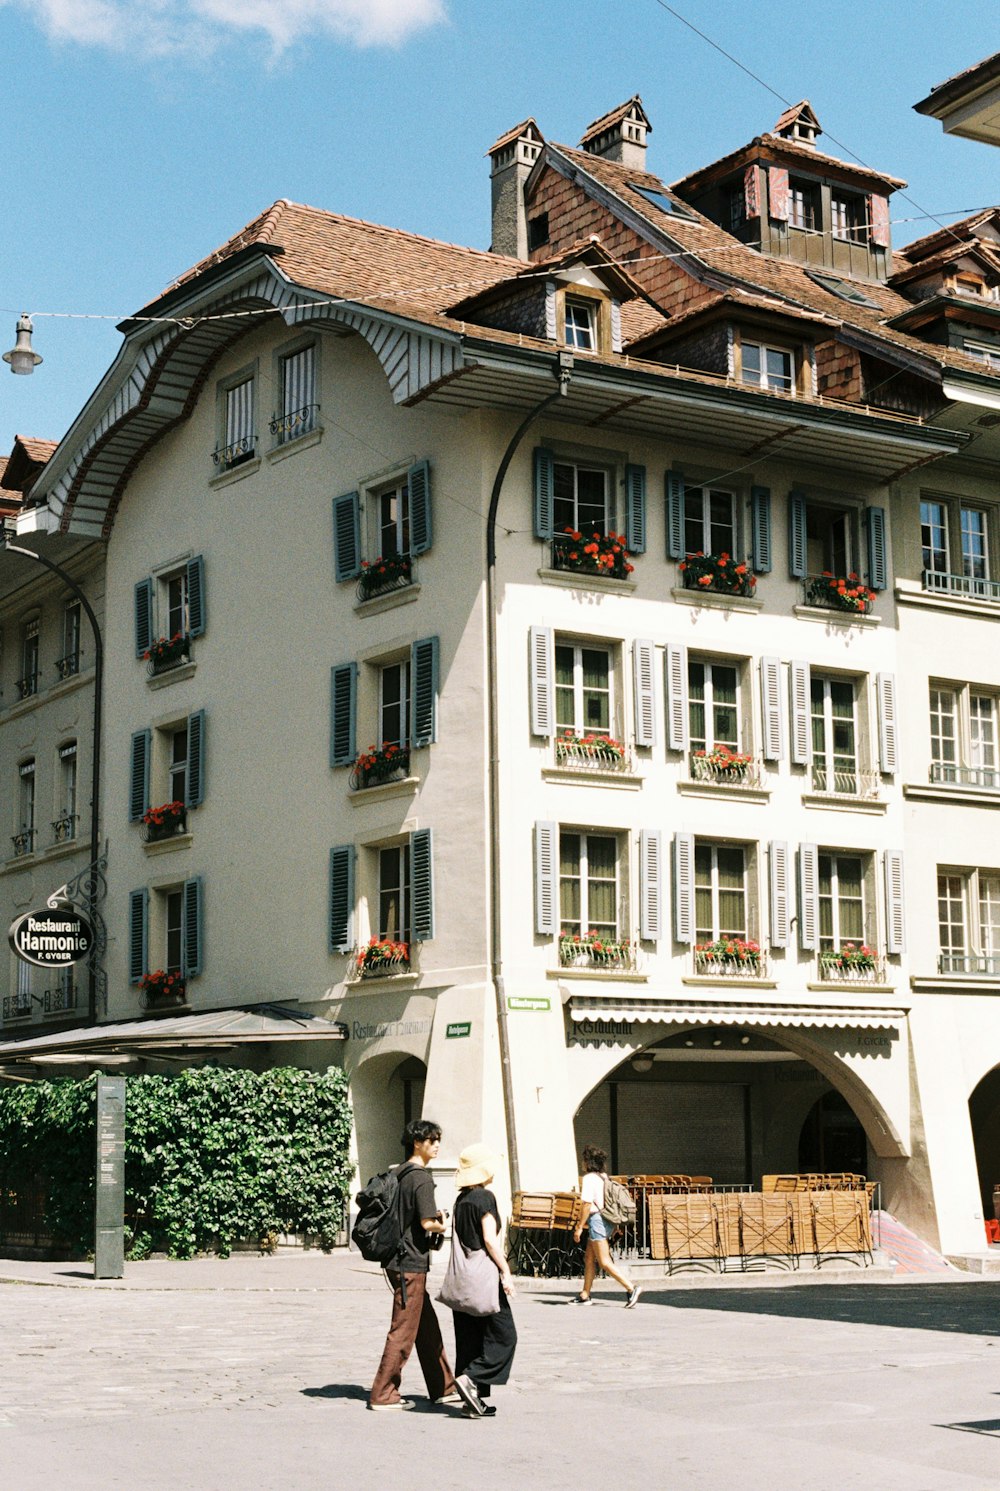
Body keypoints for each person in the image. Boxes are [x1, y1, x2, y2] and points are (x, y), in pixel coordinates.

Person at [369, 1118, 459, 1411]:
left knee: (426, 1326)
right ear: (417, 1143)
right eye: (431, 1141)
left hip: (398, 1258)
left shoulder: (400, 1173)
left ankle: (443, 1387)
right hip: (410, 1262)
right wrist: (443, 1223)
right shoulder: (420, 1177)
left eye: (437, 1140)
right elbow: (425, 1222)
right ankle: (383, 1394)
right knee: (403, 1329)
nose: (436, 1146)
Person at [449, 1144, 517, 1419]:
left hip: (463, 1280)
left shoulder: (461, 1201)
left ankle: (472, 1401)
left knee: (470, 1339)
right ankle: (470, 1378)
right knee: (504, 1336)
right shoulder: (485, 1198)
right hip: (484, 1279)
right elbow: (489, 1239)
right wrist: (506, 1271)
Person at [571, 1144, 641, 1308]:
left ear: (588, 1162)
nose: (582, 1163)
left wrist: (580, 1226)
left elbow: (587, 1204)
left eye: (584, 1160)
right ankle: (585, 1294)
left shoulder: (589, 1179)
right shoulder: (604, 1177)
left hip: (597, 1220)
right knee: (589, 1258)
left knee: (604, 1262)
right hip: (607, 1219)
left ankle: (631, 1288)